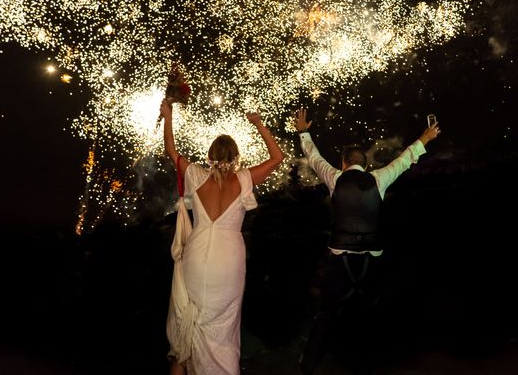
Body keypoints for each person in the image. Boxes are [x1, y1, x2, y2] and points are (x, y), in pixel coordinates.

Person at [294, 107, 440, 374]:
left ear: (343, 163)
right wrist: (426, 137)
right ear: (365, 164)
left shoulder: (335, 178)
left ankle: (309, 363)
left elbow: (313, 157)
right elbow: (405, 159)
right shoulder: (378, 178)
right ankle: (372, 362)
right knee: (372, 311)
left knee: (327, 311)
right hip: (371, 258)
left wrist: (304, 131)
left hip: (340, 258)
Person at [160, 99, 284, 375]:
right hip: (228, 259)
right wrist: (258, 123)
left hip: (197, 254)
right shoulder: (243, 179)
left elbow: (171, 150)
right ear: (236, 156)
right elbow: (278, 158)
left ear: (210, 155)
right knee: (222, 327)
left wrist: (169, 115)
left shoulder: (195, 175)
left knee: (188, 322)